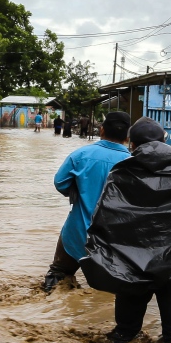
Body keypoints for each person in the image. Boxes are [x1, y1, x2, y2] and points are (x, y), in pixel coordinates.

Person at [79, 117, 171, 343]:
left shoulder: (122, 171)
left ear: (132, 145)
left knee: (124, 335)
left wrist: (104, 255)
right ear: (164, 141)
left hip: (130, 264)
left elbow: (103, 217)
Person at [41, 111, 132, 293]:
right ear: (128, 136)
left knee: (58, 275)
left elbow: (60, 183)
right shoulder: (133, 163)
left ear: (101, 130)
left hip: (78, 231)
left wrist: (80, 190)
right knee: (111, 290)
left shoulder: (81, 154)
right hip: (114, 239)